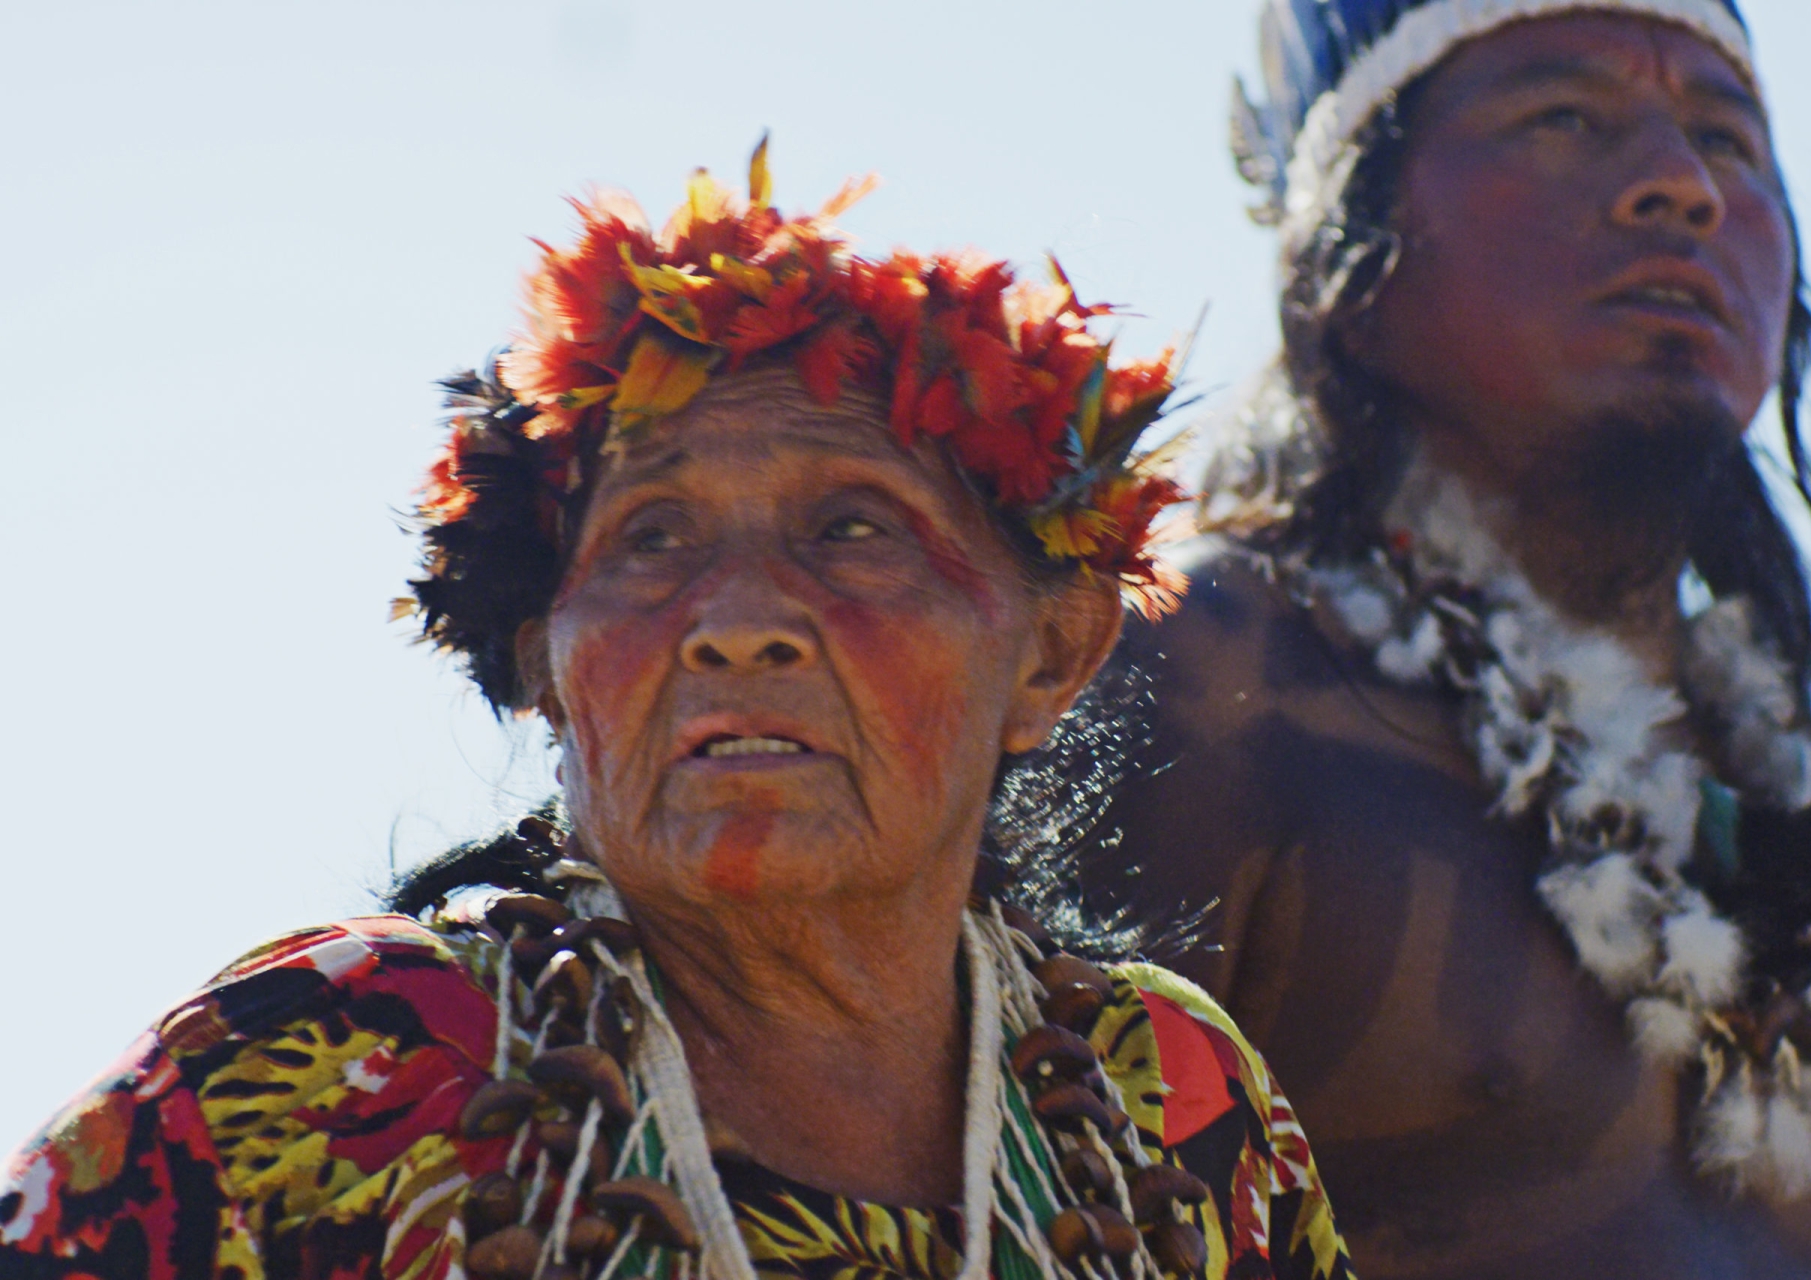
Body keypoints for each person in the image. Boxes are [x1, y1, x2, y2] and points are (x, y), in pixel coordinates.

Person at [0, 146, 1353, 1280]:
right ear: (545, 663)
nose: (734, 620)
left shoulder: (1163, 1100)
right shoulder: (321, 1067)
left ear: (1053, 655)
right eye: (652, 537)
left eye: (851, 527)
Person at [1092, 3, 1811, 1277]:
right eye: (1564, 118)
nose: (1680, 187)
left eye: (1727, 137)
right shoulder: (1202, 678)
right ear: (1350, 266)